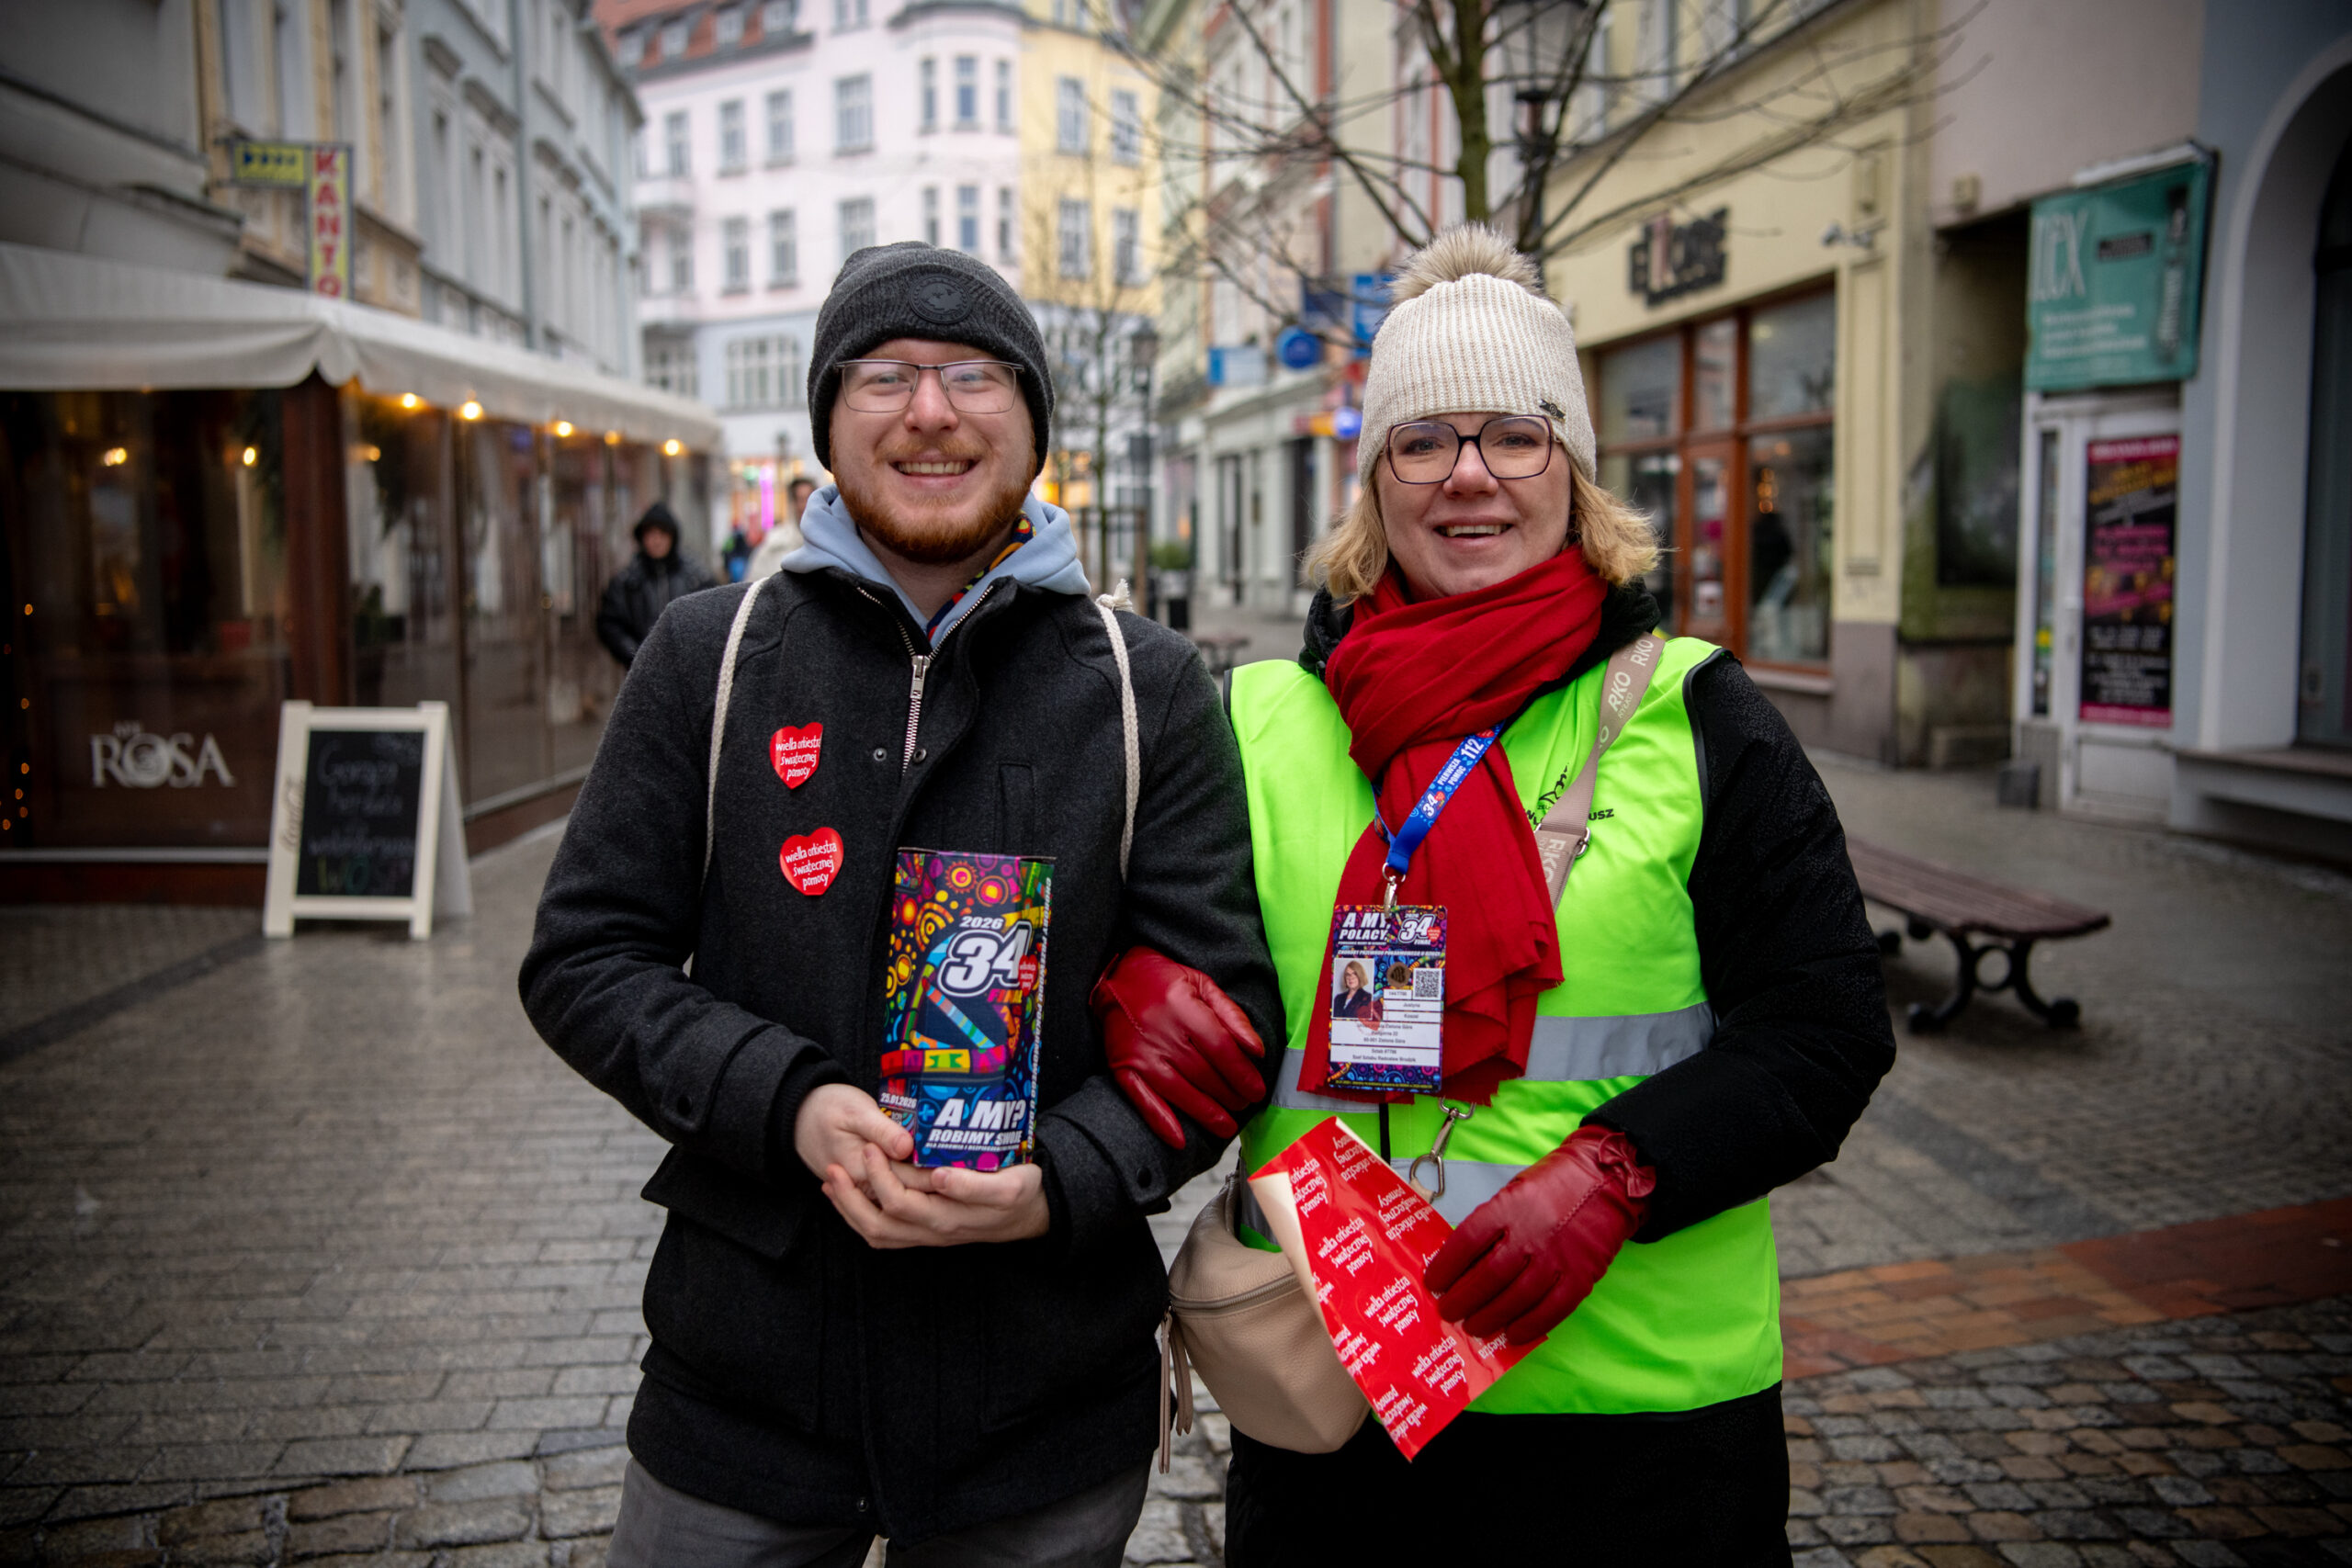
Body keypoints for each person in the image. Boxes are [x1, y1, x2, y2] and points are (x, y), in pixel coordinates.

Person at [1092, 225, 1896, 1562]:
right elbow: (1163, 969)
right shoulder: (1257, 721)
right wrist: (1131, 997)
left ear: (1571, 473)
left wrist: (1617, 1171)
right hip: (1343, 1401)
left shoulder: (1696, 715)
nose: (1469, 474)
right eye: (1423, 441)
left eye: (1516, 437)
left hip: (1643, 1423)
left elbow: (1825, 1029)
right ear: (1376, 484)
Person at [519, 242, 1280, 1567]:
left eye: (974, 374)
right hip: (746, 1390)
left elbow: (1225, 1013)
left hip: (1040, 1399)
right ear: (827, 420)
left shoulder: (1145, 686)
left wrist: (1061, 1179)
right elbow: (584, 958)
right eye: (883, 375)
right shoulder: (708, 654)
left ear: (1033, 419)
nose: (930, 411)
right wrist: (785, 1101)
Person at [597, 502, 717, 669]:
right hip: (641, 672)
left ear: (672, 537)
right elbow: (610, 624)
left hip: (689, 671)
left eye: (662, 534)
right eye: (651, 534)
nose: (657, 541)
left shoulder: (696, 578)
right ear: (642, 538)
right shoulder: (627, 582)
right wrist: (637, 656)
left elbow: (713, 619)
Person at [747, 473, 820, 579]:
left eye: (809, 499)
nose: (805, 505)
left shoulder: (827, 542)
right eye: (801, 499)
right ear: (793, 503)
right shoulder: (775, 543)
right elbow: (754, 581)